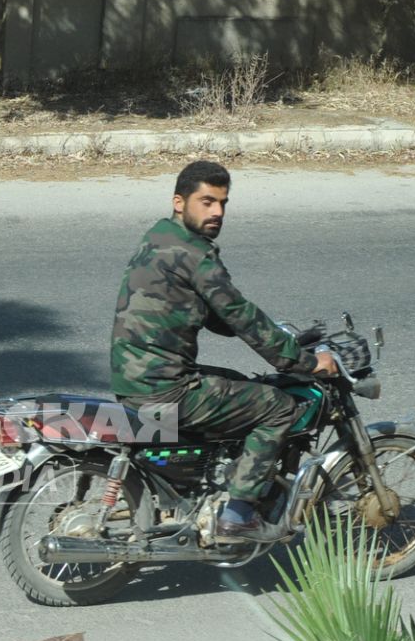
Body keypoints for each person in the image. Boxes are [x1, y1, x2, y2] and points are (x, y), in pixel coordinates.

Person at [108, 160, 337, 542]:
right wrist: (306, 362)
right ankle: (239, 513)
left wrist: (272, 335)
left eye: (223, 203)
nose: (217, 212)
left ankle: (202, 487)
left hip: (135, 378)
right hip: (166, 389)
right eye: (207, 201)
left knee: (238, 383)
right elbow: (240, 315)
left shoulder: (159, 235)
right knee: (279, 404)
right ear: (179, 202)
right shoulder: (195, 255)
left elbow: (212, 312)